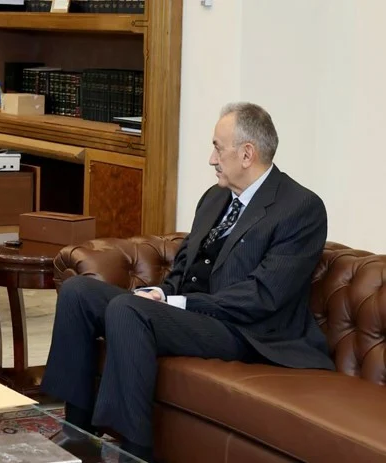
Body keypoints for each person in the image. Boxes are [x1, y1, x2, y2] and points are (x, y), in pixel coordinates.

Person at [40, 102, 335, 463]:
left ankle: (133, 453)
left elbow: (263, 296)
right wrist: (162, 291)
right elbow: (184, 266)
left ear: (247, 154)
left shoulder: (300, 208)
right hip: (193, 317)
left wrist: (176, 303)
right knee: (78, 292)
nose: (212, 159)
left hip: (247, 331)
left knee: (128, 309)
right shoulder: (215, 198)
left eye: (218, 148)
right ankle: (77, 434)